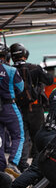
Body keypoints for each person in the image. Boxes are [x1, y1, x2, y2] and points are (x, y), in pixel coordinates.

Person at [10, 43, 54, 172]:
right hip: (36, 108)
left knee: (21, 137)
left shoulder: (10, 70)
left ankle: (22, 164)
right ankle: (36, 163)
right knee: (38, 137)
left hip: (17, 108)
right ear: (25, 54)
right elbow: (50, 80)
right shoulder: (35, 68)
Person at [0, 42, 25, 178]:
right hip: (8, 106)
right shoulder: (11, 70)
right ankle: (13, 163)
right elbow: (20, 88)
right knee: (18, 135)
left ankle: (0, 165)